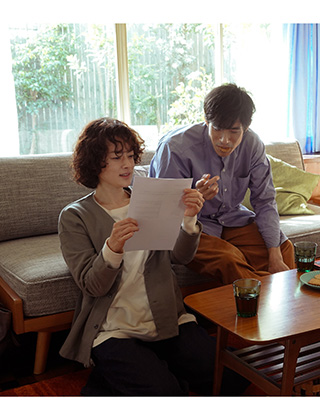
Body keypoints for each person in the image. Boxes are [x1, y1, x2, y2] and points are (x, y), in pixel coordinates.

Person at [58, 118, 247, 395]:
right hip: (115, 328)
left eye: (130, 156)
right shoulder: (75, 216)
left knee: (232, 377)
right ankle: (135, 373)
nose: (127, 164)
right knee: (165, 393)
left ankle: (152, 367)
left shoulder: (150, 198)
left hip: (165, 319)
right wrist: (112, 247)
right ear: (95, 162)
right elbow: (92, 286)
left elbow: (181, 257)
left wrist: (189, 219)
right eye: (117, 157)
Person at [149, 83, 295, 284]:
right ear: (206, 120)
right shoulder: (175, 148)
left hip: (233, 218)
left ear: (246, 127)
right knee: (229, 258)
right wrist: (196, 198)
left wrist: (274, 255)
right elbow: (165, 212)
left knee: (284, 249)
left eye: (234, 131)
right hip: (189, 227)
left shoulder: (252, 145)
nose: (224, 140)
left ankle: (273, 297)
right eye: (217, 129)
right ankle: (265, 300)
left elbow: (265, 201)